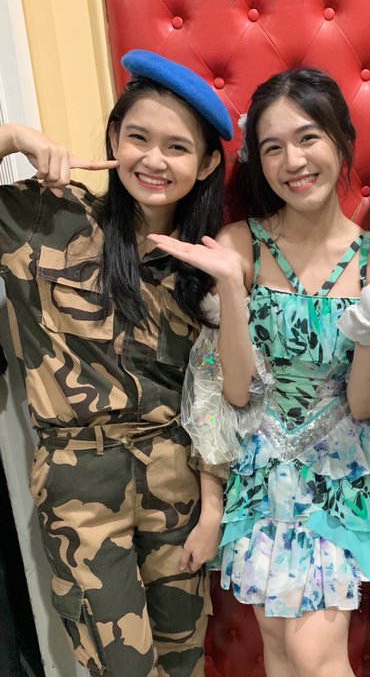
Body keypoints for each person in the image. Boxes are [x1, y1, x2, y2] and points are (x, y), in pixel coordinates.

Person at [149, 68, 370, 677]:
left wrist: (369, 321)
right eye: (272, 148)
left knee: (315, 653)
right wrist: (230, 288)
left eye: (308, 137)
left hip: (342, 476)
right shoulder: (239, 245)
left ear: (341, 140)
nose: (293, 161)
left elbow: (364, 406)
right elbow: (236, 393)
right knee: (281, 650)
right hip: (261, 473)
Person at [0, 49, 233, 677]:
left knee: (183, 661)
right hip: (81, 484)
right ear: (113, 139)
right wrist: (11, 137)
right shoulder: (46, 218)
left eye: (177, 147)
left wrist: (212, 507)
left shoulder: (205, 263)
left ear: (206, 164)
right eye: (138, 138)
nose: (154, 160)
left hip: (178, 481)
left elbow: (216, 397)